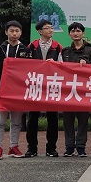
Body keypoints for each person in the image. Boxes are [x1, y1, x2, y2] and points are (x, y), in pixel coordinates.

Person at [0, 20, 30, 160]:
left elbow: (29, 70)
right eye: (11, 31)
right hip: (2, 90)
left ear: (21, 33)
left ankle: (14, 146)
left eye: (17, 31)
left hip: (18, 91)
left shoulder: (25, 50)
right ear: (6, 32)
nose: (14, 33)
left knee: (16, 121)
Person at [25, 19, 63, 157]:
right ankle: (32, 148)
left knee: (52, 117)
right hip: (36, 84)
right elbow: (25, 64)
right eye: (47, 28)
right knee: (32, 117)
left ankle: (51, 148)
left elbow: (62, 64)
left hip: (52, 85)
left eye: (52, 28)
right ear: (40, 31)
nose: (51, 30)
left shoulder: (58, 46)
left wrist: (55, 64)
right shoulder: (32, 46)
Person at [61, 22, 91, 157]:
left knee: (83, 120)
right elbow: (59, 68)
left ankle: (81, 146)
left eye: (78, 31)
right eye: (73, 31)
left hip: (84, 90)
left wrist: (87, 64)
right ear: (69, 34)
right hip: (68, 90)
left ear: (83, 33)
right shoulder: (65, 51)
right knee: (68, 120)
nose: (75, 33)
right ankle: (69, 146)